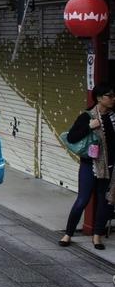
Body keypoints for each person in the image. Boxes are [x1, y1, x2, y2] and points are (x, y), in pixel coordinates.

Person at [59, 83, 115, 249]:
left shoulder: (113, 117)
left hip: (109, 166)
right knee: (82, 200)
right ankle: (68, 233)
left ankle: (97, 236)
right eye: (109, 96)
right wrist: (90, 127)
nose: (113, 99)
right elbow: (72, 138)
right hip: (89, 165)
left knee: (104, 202)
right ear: (99, 98)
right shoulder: (87, 116)